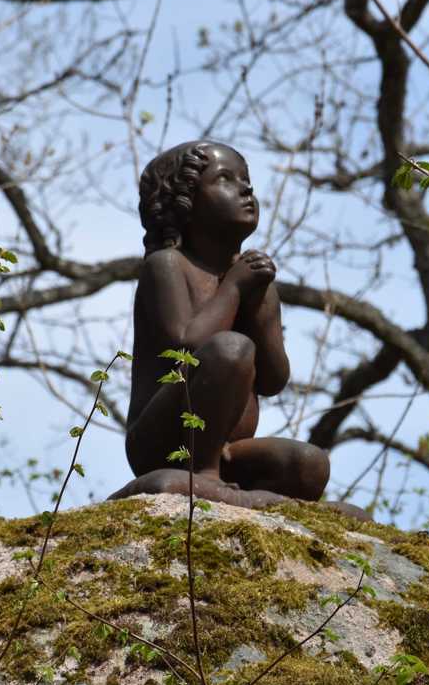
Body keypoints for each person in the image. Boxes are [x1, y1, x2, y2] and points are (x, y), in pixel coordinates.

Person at [110, 140, 331, 509]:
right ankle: (210, 483)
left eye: (246, 179)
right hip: (165, 443)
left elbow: (275, 380)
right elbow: (184, 344)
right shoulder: (166, 265)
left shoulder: (253, 282)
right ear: (186, 204)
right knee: (229, 348)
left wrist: (258, 300)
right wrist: (233, 288)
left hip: (229, 453)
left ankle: (233, 490)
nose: (246, 189)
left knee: (310, 465)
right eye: (226, 179)